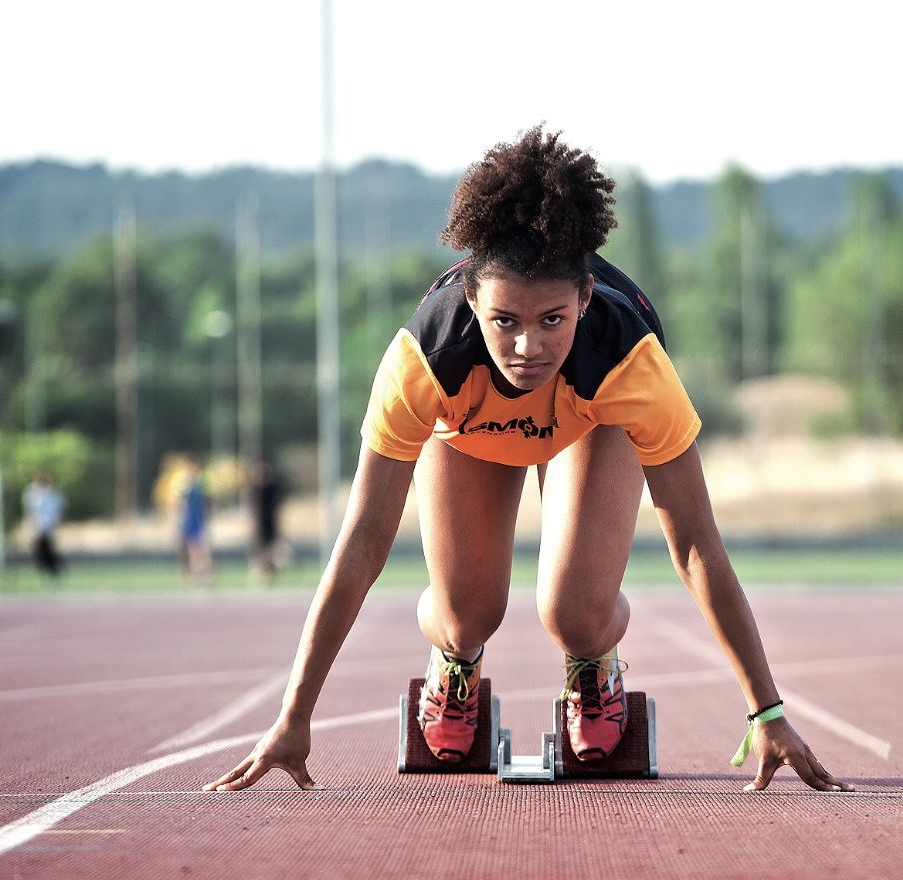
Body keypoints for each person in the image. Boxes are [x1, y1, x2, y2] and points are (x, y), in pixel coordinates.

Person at [207, 127, 852, 794]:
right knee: (466, 616)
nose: (527, 348)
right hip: (469, 431)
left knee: (574, 614)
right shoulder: (423, 363)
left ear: (585, 300)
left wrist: (767, 710)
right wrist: (294, 715)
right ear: (471, 302)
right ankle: (454, 662)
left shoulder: (631, 365)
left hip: (591, 423)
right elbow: (363, 541)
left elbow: (695, 544)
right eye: (504, 321)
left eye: (552, 319)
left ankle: (595, 664)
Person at [22, 471, 64, 580]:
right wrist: (30, 525)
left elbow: (56, 510)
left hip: (48, 524)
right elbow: (29, 510)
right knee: (39, 547)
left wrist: (53, 524)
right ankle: (48, 568)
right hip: (37, 524)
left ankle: (52, 568)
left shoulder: (53, 493)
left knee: (46, 546)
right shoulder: (31, 493)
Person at [248, 461, 285, 582]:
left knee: (268, 548)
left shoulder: (269, 489)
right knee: (262, 547)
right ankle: (263, 570)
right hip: (261, 523)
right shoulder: (257, 490)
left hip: (268, 523)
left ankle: (268, 570)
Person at [178, 457, 213, 584]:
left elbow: (206, 503)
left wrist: (206, 517)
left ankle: (206, 572)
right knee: (191, 547)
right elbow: (182, 503)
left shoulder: (200, 484)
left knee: (201, 547)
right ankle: (195, 572)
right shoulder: (185, 484)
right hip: (189, 519)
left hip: (198, 519)